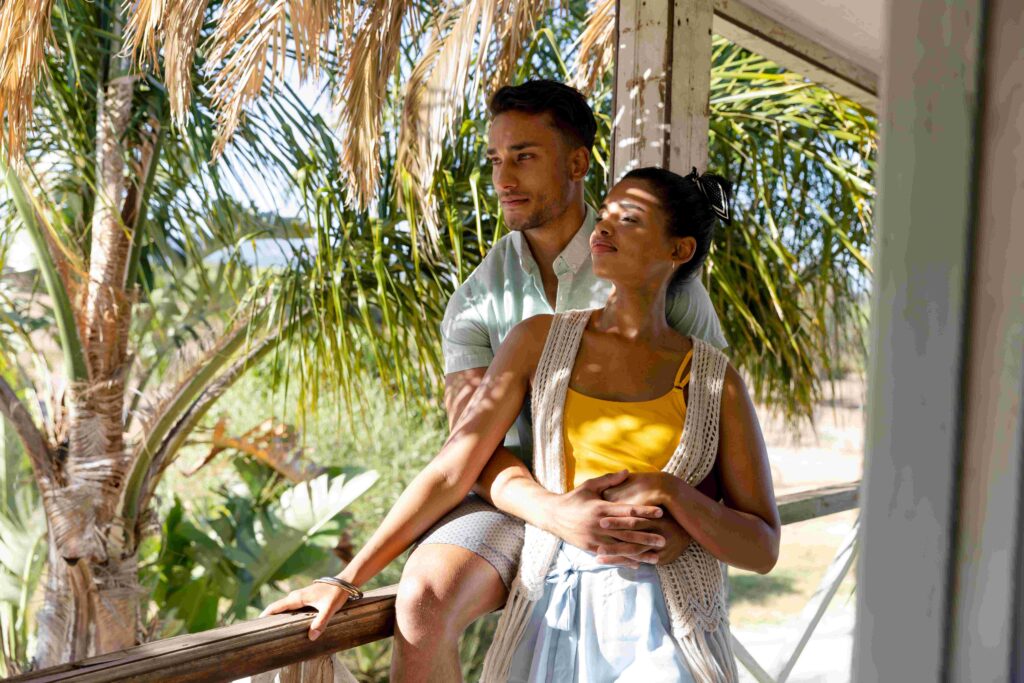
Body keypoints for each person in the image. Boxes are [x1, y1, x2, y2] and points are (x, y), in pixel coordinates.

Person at [262, 80, 730, 679]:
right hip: (518, 500)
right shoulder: (476, 304)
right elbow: (470, 456)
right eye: (495, 160)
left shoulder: (660, 275)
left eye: (524, 157)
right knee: (422, 599)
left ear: (577, 162)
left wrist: (680, 524)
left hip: (644, 509)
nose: (502, 177)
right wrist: (347, 580)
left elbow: (712, 431)